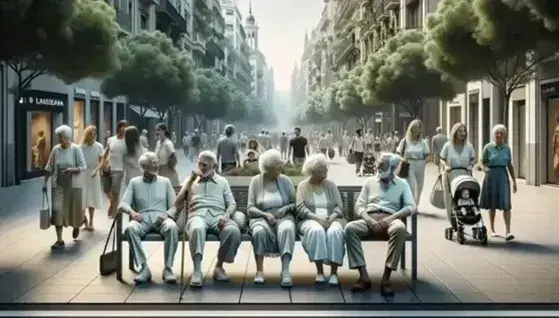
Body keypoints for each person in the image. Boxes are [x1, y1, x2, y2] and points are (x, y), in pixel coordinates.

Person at [345, 153, 416, 295]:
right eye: (378, 163)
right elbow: (359, 206)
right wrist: (368, 219)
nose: (378, 167)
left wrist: (393, 218)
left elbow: (411, 206)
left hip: (390, 219)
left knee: (400, 228)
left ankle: (386, 277)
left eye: (383, 165)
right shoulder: (369, 182)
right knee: (350, 228)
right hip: (370, 219)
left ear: (393, 167)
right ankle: (364, 277)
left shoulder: (402, 184)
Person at [174, 151, 246, 287]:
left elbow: (232, 203)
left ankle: (219, 266)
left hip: (218, 215)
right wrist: (190, 181)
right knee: (196, 228)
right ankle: (197, 269)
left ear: (214, 166)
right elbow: (177, 204)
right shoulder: (190, 180)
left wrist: (226, 216)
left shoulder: (222, 181)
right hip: (197, 215)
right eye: (199, 164)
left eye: (205, 165)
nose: (201, 167)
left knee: (232, 230)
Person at [119, 152, 179, 284]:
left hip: (162, 219)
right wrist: (132, 213)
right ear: (144, 167)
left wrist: (167, 215)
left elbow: (175, 206)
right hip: (142, 219)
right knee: (130, 228)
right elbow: (122, 204)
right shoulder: (135, 183)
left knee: (172, 227)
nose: (157, 165)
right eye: (153, 163)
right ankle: (144, 268)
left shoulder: (165, 182)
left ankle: (168, 268)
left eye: (157, 162)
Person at [247, 150, 297, 286]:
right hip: (261, 218)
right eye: (277, 165)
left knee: (287, 229)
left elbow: (295, 203)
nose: (280, 168)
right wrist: (265, 215)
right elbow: (250, 208)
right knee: (258, 232)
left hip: (283, 216)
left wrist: (285, 208)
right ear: (268, 168)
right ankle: (259, 271)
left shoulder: (285, 181)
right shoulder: (256, 181)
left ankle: (285, 270)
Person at [296, 154, 346, 285]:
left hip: (332, 219)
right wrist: (317, 218)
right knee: (316, 231)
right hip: (310, 219)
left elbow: (339, 207)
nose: (327, 170)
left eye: (326, 167)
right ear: (313, 170)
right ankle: (320, 272)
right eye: (324, 168)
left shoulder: (331, 185)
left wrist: (330, 219)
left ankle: (334, 272)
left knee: (335, 232)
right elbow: (300, 208)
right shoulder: (303, 186)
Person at [43, 125, 87, 249]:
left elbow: (83, 166)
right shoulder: (55, 150)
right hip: (58, 185)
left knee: (74, 210)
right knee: (57, 211)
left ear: (67, 137)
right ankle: (59, 239)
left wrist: (72, 169)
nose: (59, 139)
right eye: (58, 137)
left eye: (61, 137)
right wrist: (44, 183)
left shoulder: (75, 149)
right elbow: (49, 167)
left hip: (74, 185)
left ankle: (77, 224)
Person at [479, 124, 517, 241]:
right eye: (497, 133)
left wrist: (514, 181)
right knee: (492, 204)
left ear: (504, 135)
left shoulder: (507, 148)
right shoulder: (488, 147)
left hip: (503, 177)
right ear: (493, 135)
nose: (499, 135)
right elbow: (481, 161)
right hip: (491, 176)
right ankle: (492, 229)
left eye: (501, 133)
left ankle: (508, 231)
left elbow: (509, 165)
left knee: (506, 204)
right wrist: (484, 169)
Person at [439, 123, 475, 219]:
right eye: (460, 131)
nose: (462, 133)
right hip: (450, 173)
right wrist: (446, 165)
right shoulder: (448, 145)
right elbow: (442, 159)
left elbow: (473, 159)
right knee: (450, 198)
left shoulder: (469, 146)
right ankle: (452, 220)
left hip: (464, 173)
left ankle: (463, 218)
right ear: (455, 132)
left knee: (464, 196)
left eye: (464, 131)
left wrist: (470, 165)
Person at [397, 119, 429, 205]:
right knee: (411, 185)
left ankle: (416, 203)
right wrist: (402, 159)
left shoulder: (423, 142)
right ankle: (411, 204)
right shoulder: (405, 141)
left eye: (419, 128)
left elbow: (428, 154)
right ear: (411, 129)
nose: (417, 130)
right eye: (415, 128)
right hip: (409, 163)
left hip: (420, 163)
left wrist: (425, 161)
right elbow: (398, 153)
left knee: (420, 185)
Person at [99, 120, 128, 219]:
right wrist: (102, 163)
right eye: (121, 127)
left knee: (115, 192)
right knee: (106, 190)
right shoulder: (111, 139)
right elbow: (106, 152)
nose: (123, 129)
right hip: (108, 168)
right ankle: (112, 203)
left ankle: (115, 211)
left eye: (125, 127)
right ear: (118, 128)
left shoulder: (127, 141)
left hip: (119, 169)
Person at [80, 126, 104, 231]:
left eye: (94, 135)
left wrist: (97, 170)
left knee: (91, 198)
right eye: (90, 134)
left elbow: (102, 161)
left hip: (93, 174)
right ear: (86, 135)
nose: (92, 137)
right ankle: (83, 219)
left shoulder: (99, 146)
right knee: (82, 197)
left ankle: (91, 221)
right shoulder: (80, 147)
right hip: (82, 174)